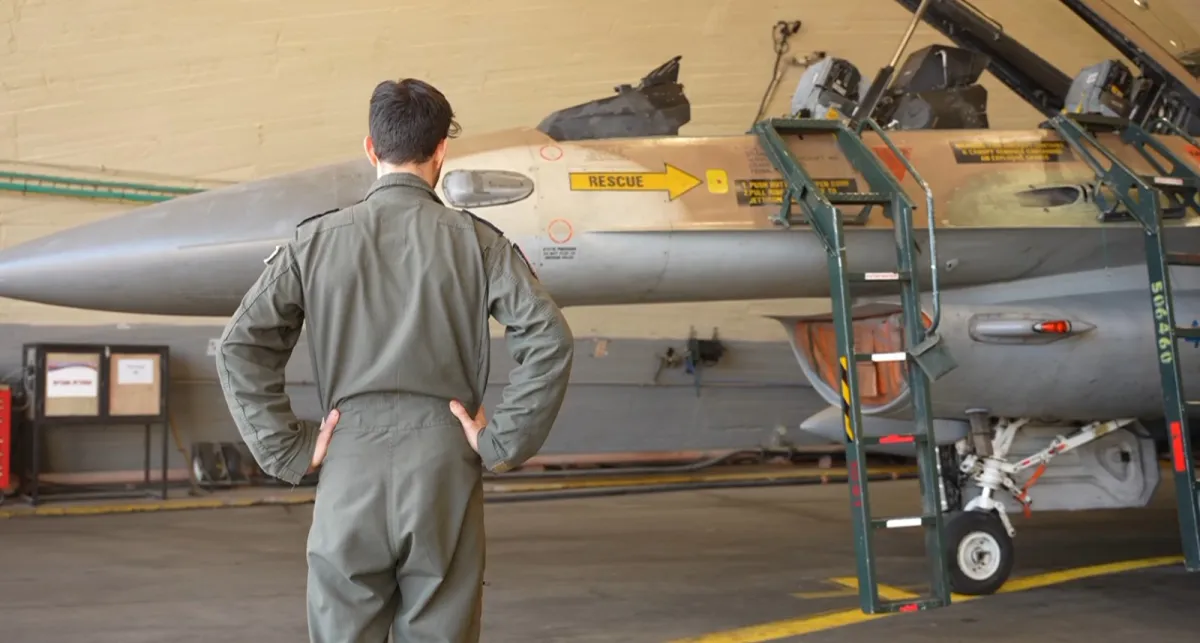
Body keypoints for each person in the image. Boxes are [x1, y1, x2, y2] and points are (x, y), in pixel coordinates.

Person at [214, 77, 575, 643]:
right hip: (443, 459)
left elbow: (241, 344)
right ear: (441, 151)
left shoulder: (315, 241)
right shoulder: (479, 242)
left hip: (348, 455)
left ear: (369, 147)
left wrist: (285, 445)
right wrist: (500, 439)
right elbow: (548, 337)